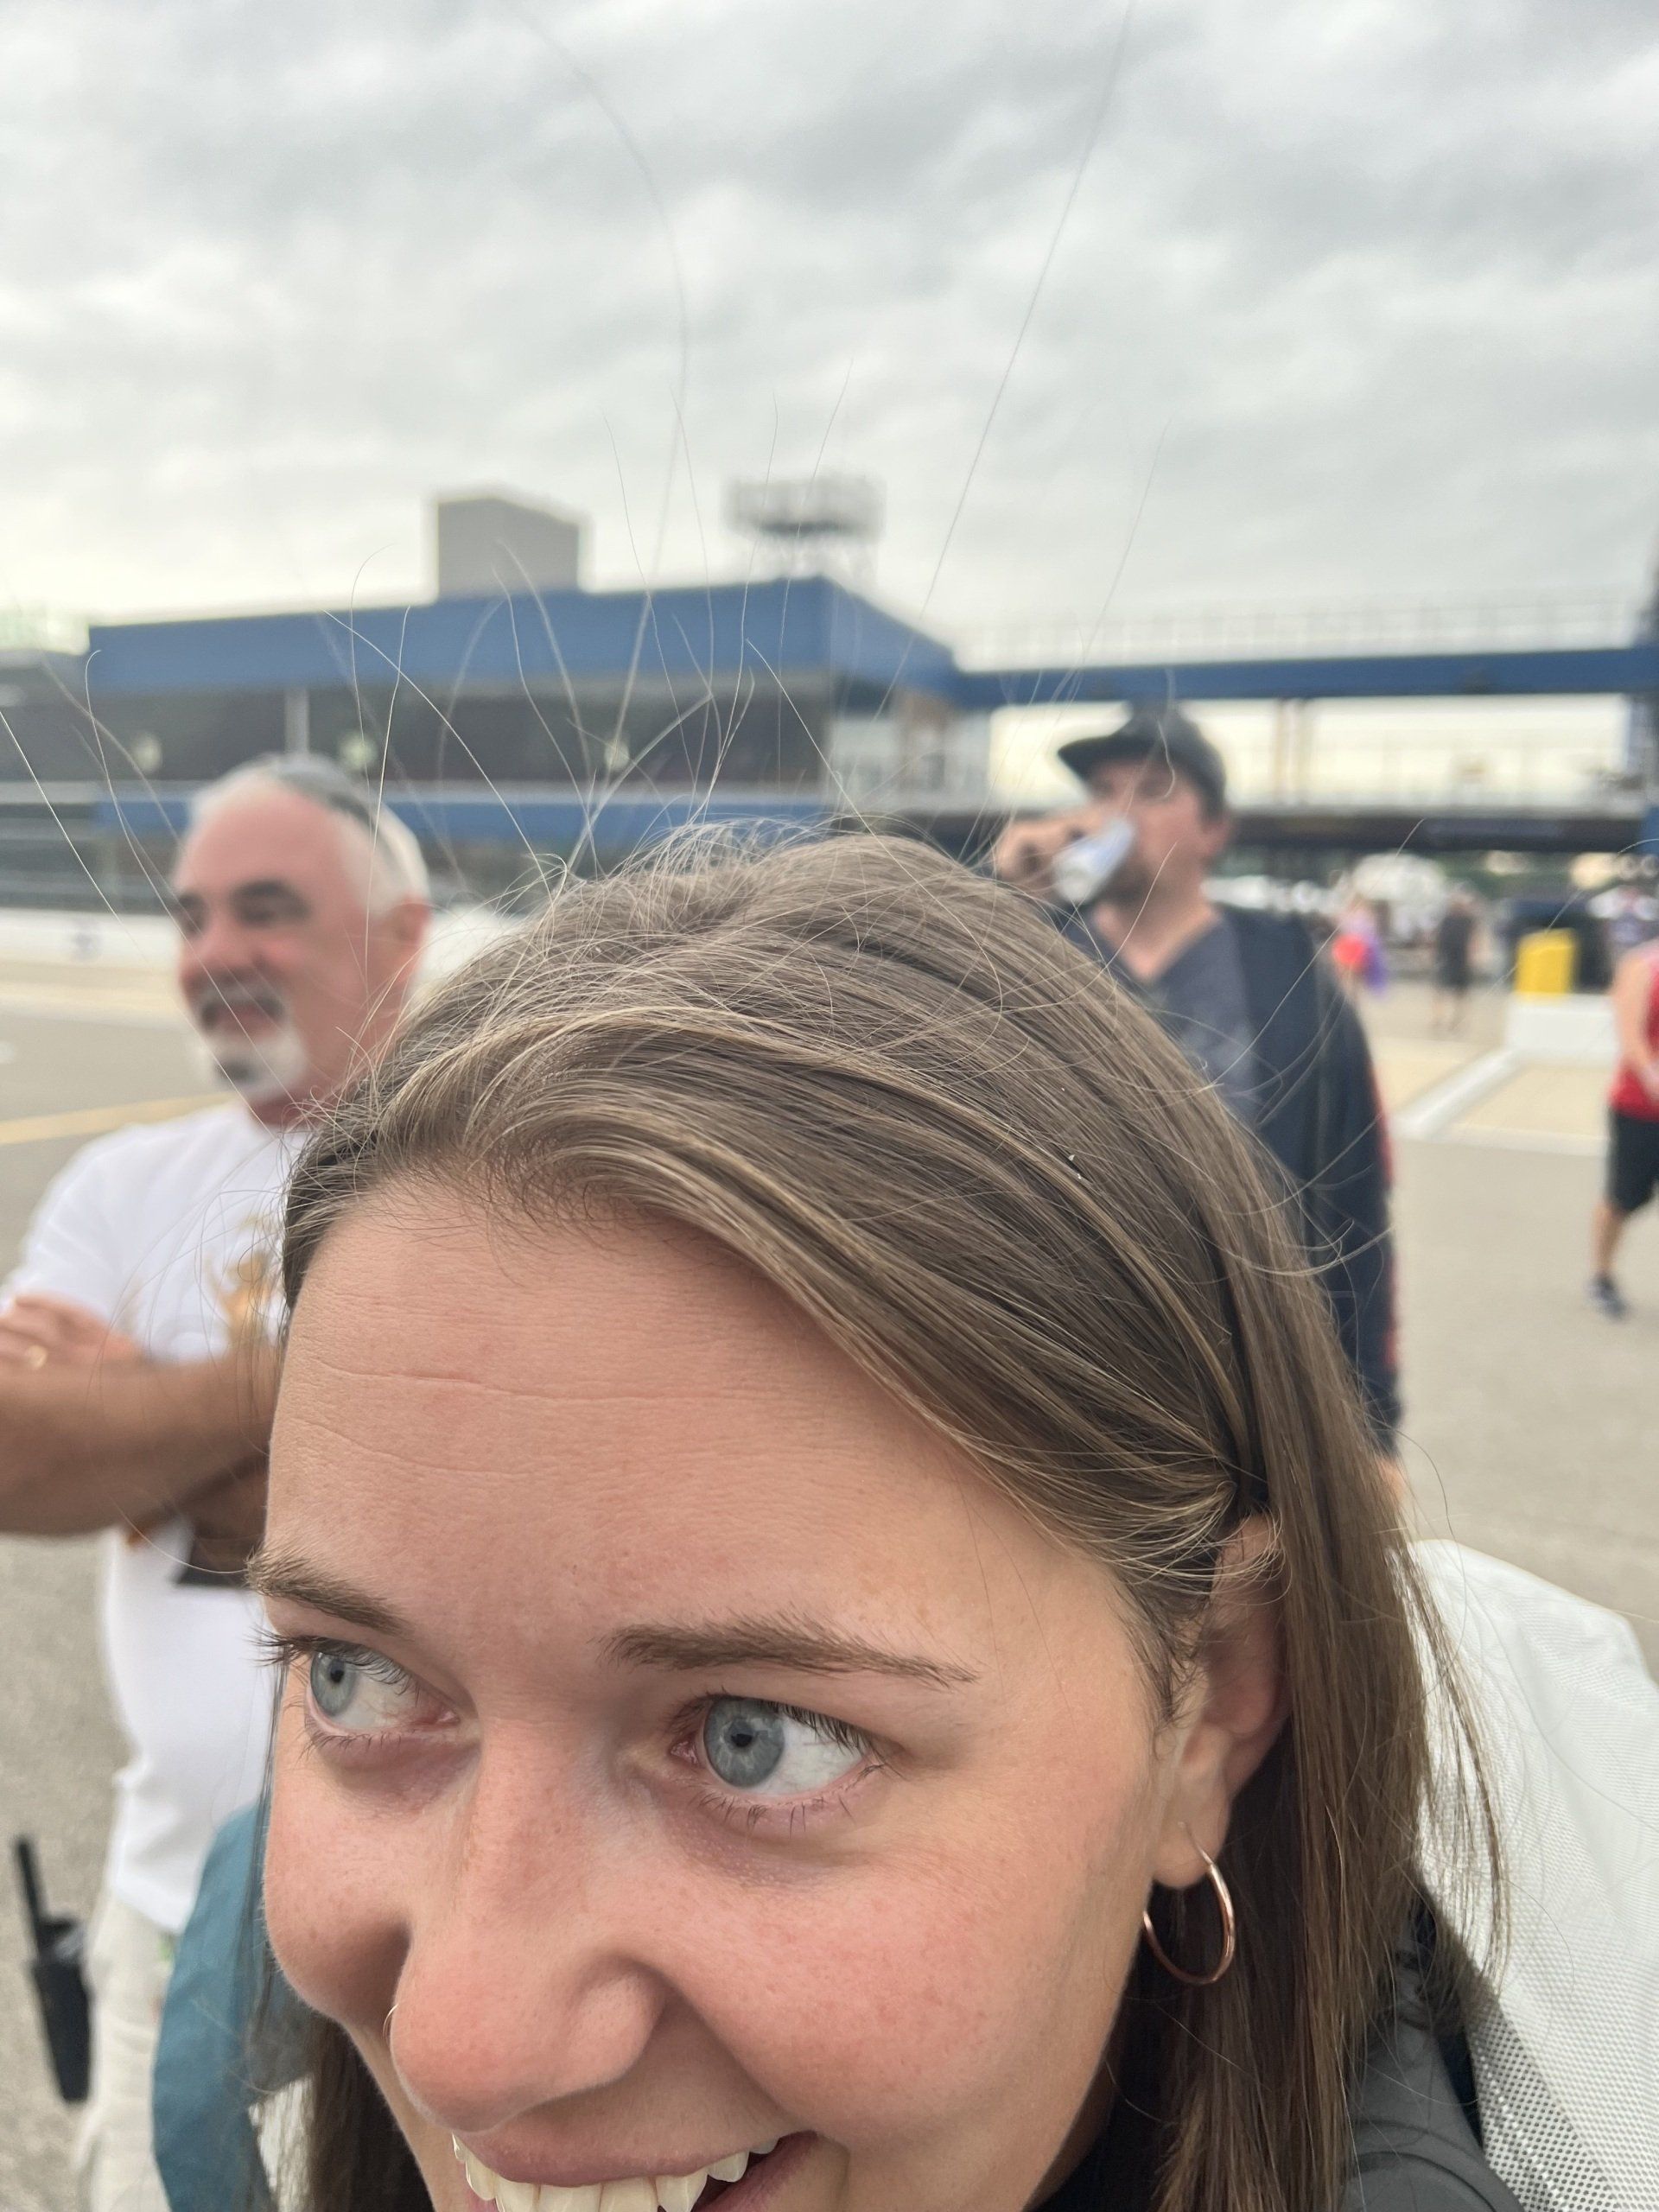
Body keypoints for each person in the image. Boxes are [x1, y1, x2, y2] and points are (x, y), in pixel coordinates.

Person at [236, 831, 1567, 2212]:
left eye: (758, 1742)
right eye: (356, 1677)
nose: (462, 2049)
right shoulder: (248, 2091)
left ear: (1213, 1708)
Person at [0, 756, 429, 2212]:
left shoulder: (485, 1170)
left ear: (403, 935)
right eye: (190, 918)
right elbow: (19, 1459)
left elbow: (476, 1509)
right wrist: (296, 1398)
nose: (215, 954)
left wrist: (151, 1415)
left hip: (427, 1937)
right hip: (168, 1906)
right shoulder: (124, 1187)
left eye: (268, 911)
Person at [992, 706, 1399, 1441]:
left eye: (1153, 791)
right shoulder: (1028, 955)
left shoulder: (1289, 973)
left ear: (1215, 831)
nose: (1117, 813)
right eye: (1104, 791)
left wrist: (1373, 1421)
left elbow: (1357, 1203)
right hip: (1066, 1381)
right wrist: (997, 901)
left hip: (1250, 1380)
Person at [1587, 936, 1659, 1319]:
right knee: (1624, 1197)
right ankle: (1601, 1274)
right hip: (1640, 1108)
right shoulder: (1644, 964)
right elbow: (1630, 1034)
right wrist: (1652, 1075)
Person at [1431, 890, 1479, 1038]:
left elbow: (1475, 938)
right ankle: (1438, 1018)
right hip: (1446, 958)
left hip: (1462, 960)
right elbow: (1438, 937)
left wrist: (1474, 956)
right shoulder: (1446, 919)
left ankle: (1457, 1020)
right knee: (1440, 990)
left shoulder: (1469, 920)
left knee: (1460, 993)